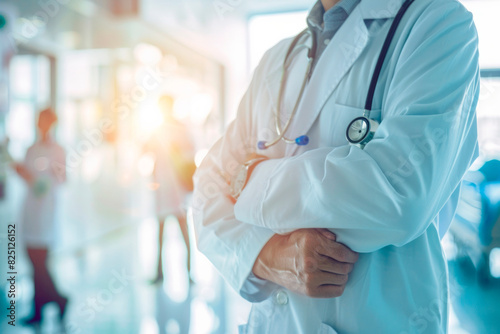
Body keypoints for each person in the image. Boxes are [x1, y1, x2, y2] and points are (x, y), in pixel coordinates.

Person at [192, 0, 479, 333]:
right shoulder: (277, 60)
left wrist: (248, 179)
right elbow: (206, 192)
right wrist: (266, 256)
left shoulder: (438, 24)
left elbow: (398, 195)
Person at [14, 108, 68, 326]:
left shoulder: (58, 150)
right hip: (31, 209)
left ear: (52, 123)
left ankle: (58, 299)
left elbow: (63, 178)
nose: (41, 125)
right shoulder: (31, 149)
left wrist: (53, 175)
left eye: (45, 121)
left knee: (41, 262)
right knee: (33, 260)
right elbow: (29, 178)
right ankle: (42, 307)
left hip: (46, 211)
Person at [144, 95, 195, 284]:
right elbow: (146, 150)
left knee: (184, 234)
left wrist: (178, 150)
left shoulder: (181, 129)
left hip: (178, 191)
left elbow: (191, 154)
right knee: (160, 235)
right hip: (162, 190)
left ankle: (189, 274)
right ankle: (159, 274)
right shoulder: (157, 131)